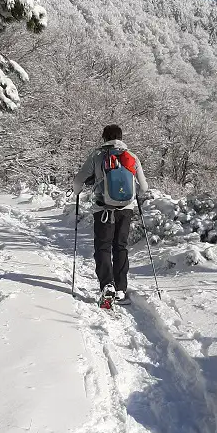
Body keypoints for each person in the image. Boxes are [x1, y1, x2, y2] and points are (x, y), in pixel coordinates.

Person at [73, 124, 148, 306]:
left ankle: (107, 285)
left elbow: (78, 180)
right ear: (121, 137)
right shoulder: (131, 156)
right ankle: (121, 289)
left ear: (104, 138)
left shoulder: (98, 156)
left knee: (103, 247)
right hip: (126, 209)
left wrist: (76, 192)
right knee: (120, 246)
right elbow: (144, 187)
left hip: (103, 209)